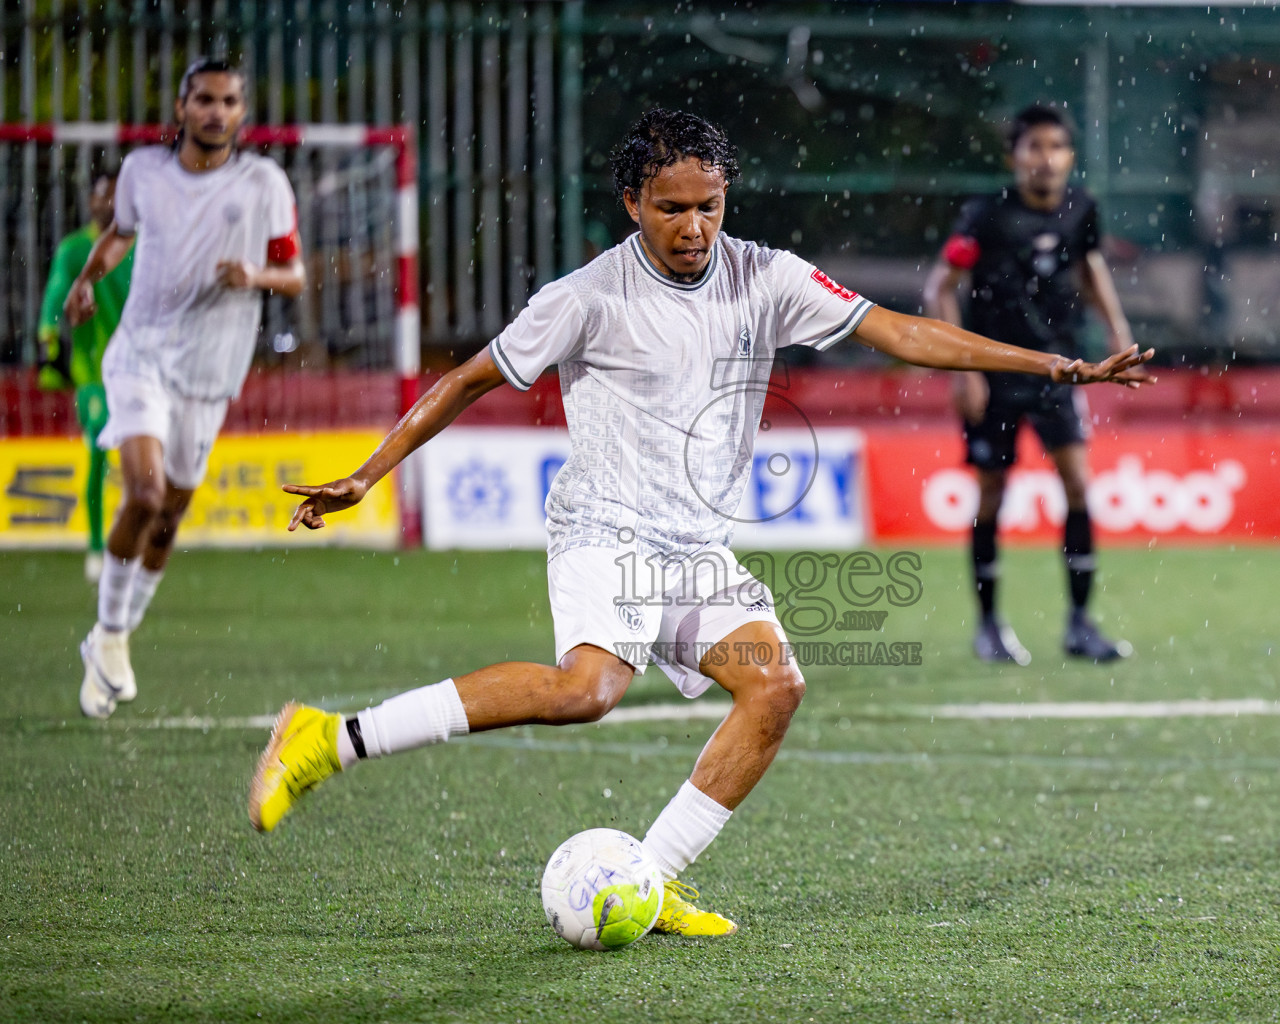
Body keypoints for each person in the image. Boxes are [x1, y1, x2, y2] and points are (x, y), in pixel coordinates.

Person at [249, 109, 1152, 937]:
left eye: (709, 207)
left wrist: (1052, 365)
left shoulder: (768, 276)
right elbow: (466, 379)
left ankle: (653, 876)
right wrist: (370, 473)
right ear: (633, 202)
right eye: (671, 208)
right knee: (587, 692)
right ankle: (331, 738)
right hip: (604, 527)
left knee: (776, 687)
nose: (693, 229)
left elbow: (904, 332)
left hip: (693, 544)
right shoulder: (586, 295)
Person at [67, 58, 305, 719]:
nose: (215, 111)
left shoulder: (264, 183)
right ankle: (111, 635)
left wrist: (254, 274)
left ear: (241, 113)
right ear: (181, 108)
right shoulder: (144, 173)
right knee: (143, 492)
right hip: (140, 356)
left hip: (210, 374)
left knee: (169, 515)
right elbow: (119, 236)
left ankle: (111, 637)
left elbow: (296, 274)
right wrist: (87, 280)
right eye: (203, 99)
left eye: (228, 101)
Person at [923, 103, 1138, 667]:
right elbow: (940, 287)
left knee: (1078, 485)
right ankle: (989, 624)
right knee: (992, 491)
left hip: (1059, 368)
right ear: (1014, 157)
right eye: (1034, 147)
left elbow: (1090, 266)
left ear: (1069, 156)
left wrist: (1118, 332)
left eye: (1056, 148)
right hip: (995, 375)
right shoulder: (985, 216)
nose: (1046, 159)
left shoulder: (1081, 208)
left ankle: (1080, 624)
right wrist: (964, 368)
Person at [37, 172, 135, 583]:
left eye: (116, 195)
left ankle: (130, 539)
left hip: (138, 369)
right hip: (93, 371)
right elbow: (53, 299)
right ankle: (97, 545)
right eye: (101, 195)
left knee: (141, 462)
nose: (108, 202)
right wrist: (50, 347)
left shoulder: (140, 247)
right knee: (98, 447)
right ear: (91, 202)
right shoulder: (76, 249)